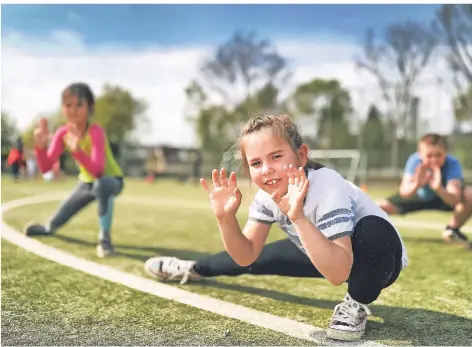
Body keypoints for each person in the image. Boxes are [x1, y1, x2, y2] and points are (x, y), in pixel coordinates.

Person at [144, 113, 408, 341]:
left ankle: (356, 303)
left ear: (301, 155)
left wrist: (298, 217)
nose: (267, 169)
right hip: (321, 251)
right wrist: (225, 219)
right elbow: (246, 255)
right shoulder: (265, 198)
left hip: (375, 258)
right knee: (258, 258)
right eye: (256, 163)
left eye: (276, 156)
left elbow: (339, 272)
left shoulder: (327, 185)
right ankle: (192, 268)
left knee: (374, 229)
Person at [23, 82, 125, 258]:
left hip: (111, 180)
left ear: (90, 107)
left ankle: (105, 240)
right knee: (60, 216)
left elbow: (99, 171)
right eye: (68, 105)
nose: (73, 110)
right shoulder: (62, 133)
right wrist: (40, 147)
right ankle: (49, 228)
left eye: (79, 105)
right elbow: (46, 168)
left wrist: (78, 152)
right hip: (86, 183)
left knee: (102, 185)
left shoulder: (96, 131)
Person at [378, 133, 472, 247]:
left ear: (445, 153)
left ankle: (452, 230)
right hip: (416, 197)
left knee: (469, 194)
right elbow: (404, 193)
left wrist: (438, 188)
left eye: (438, 155)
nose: (434, 160)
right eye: (429, 155)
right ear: (420, 155)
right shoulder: (414, 161)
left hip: (443, 198)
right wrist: (417, 184)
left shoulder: (452, 163)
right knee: (373, 207)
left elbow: (454, 199)